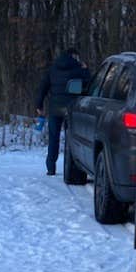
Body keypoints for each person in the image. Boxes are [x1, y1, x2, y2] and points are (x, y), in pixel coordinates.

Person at [35, 46, 90, 175]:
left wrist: (39, 105)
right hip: (72, 109)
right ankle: (71, 167)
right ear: (75, 56)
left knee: (53, 137)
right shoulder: (78, 69)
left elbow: (43, 87)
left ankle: (50, 167)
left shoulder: (53, 68)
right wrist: (86, 69)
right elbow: (88, 82)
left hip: (55, 108)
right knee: (71, 137)